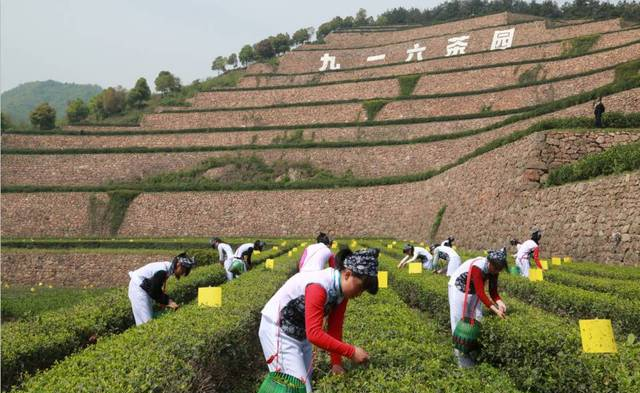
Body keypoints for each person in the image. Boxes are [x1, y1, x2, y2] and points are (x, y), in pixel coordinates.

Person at [259, 248, 379, 392]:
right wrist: (351, 352)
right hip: (278, 331)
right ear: (347, 274)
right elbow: (314, 333)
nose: (359, 294)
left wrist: (336, 363)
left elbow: (334, 328)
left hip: (300, 333)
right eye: (360, 288)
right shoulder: (319, 286)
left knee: (304, 383)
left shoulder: (342, 293)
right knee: (298, 387)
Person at [448, 249, 508, 367]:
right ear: (490, 263)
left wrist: (500, 303)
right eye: (496, 268)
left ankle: (470, 351)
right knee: (459, 319)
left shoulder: (494, 270)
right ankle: (460, 358)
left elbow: (493, 291)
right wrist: (495, 311)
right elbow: (481, 293)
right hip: (459, 287)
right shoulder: (478, 267)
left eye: (499, 269)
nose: (497, 271)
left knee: (473, 320)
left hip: (473, 288)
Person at [127, 252, 196, 326]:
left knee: (146, 319)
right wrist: (168, 301)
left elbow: (156, 289)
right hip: (138, 289)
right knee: (146, 322)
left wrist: (167, 300)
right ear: (178, 264)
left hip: (142, 288)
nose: (183, 273)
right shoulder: (162, 271)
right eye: (183, 270)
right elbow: (154, 291)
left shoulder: (167, 268)